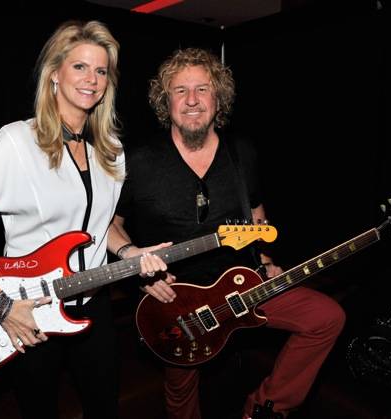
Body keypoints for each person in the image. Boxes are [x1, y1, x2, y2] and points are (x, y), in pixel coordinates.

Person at [0, 20, 161, 419]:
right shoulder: (17, 141)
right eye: (80, 66)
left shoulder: (111, 150)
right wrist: (1, 304)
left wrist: (130, 252)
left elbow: (99, 226)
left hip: (93, 306)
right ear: (55, 73)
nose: (92, 79)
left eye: (101, 71)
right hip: (27, 309)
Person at [108, 48, 346, 419]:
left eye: (202, 89)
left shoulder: (241, 151)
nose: (191, 100)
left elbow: (256, 214)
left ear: (218, 98)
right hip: (176, 300)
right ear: (165, 101)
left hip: (244, 285)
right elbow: (109, 223)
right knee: (181, 391)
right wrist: (134, 263)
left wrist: (264, 259)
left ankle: (263, 409)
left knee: (326, 317)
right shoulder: (137, 160)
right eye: (180, 90)